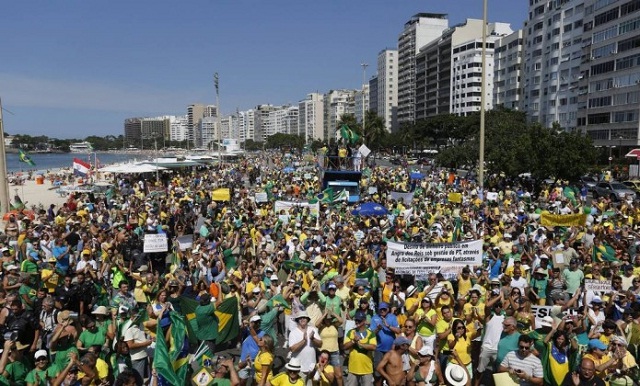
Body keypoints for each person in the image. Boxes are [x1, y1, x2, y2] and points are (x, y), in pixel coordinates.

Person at [344, 311, 377, 386]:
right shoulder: (351, 332)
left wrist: (360, 344)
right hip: (353, 369)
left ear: (364, 321)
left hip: (367, 369)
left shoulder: (370, 333)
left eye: (359, 320)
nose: (357, 322)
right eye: (356, 320)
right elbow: (345, 347)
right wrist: (353, 341)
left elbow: (373, 347)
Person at [288, 311, 322, 381]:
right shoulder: (293, 332)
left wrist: (313, 338)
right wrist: (304, 341)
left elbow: (320, 344)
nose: (302, 319)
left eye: (304, 318)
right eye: (300, 318)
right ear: (297, 320)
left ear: (307, 319)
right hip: (298, 368)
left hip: (311, 366)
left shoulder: (313, 330)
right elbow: (292, 349)